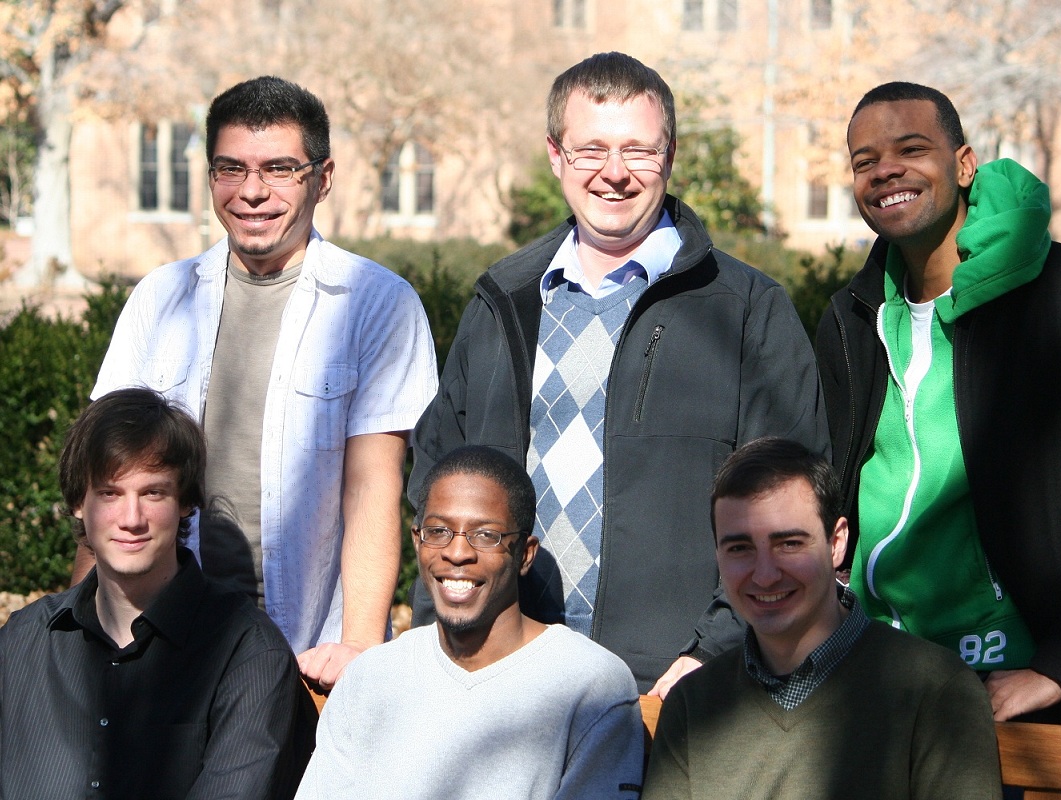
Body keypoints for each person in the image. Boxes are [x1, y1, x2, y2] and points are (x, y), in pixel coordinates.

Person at [408, 51, 828, 696]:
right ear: (556, 156)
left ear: (670, 155)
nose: (613, 174)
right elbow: (437, 481)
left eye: (638, 150)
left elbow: (794, 504)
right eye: (590, 150)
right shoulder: (504, 301)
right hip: (501, 670)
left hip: (672, 683)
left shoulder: (745, 309)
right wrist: (441, 636)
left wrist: (713, 651)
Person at [89, 76, 438, 688]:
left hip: (307, 647)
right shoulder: (159, 300)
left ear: (322, 178)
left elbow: (374, 487)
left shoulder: (377, 303)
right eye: (232, 169)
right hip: (163, 637)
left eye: (279, 169)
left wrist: (356, 644)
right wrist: (85, 635)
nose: (253, 191)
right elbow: (108, 480)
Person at [816, 81, 1061, 724]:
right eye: (864, 161)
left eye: (911, 148)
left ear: (964, 163)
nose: (885, 171)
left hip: (1015, 693)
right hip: (876, 679)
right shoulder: (851, 318)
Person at [0, 388, 316, 799]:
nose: (131, 519)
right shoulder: (22, 641)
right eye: (110, 493)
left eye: (153, 493)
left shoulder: (248, 654)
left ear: (185, 502)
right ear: (79, 502)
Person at [643, 437, 1001, 799]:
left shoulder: (935, 690)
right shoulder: (693, 704)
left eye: (790, 544)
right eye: (740, 548)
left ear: (836, 543)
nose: (765, 575)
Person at [296, 445, 644, 799]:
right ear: (417, 541)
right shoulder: (369, 678)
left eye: (485, 535)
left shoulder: (591, 685)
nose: (458, 552)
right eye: (439, 531)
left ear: (525, 554)